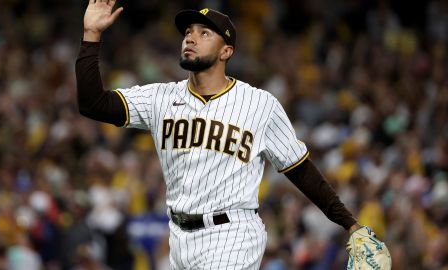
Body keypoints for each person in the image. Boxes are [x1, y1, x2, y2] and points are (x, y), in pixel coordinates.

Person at [76, 1, 390, 269]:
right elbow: (93, 104)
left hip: (233, 233)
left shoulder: (260, 104)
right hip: (179, 237)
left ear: (227, 50)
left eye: (203, 33)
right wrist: (91, 36)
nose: (190, 38)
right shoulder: (160, 98)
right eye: (187, 32)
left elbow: (300, 169)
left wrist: (349, 223)